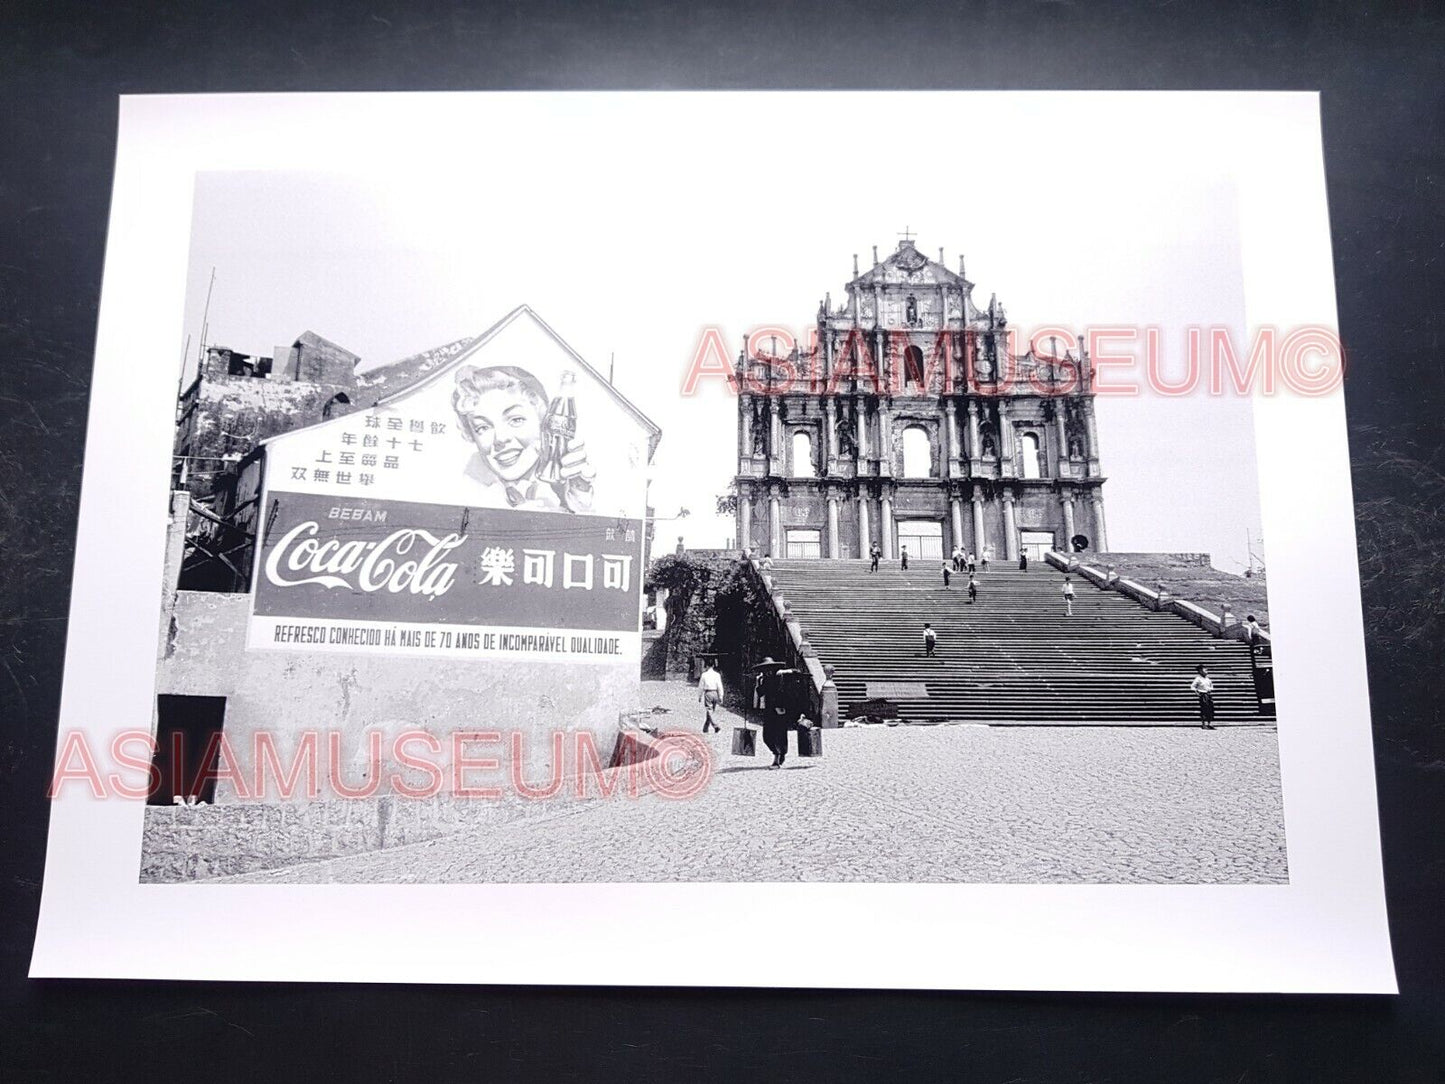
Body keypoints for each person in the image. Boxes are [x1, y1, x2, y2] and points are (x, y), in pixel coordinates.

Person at [452, 364, 594, 512]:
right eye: (482, 427)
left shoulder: (569, 489)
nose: (500, 438)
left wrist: (581, 497)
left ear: (544, 422)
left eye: (516, 420)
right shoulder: (468, 494)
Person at [760, 664, 798, 768]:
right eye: (765, 670)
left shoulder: (782, 677)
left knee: (780, 734)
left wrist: (786, 671)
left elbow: (797, 672)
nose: (767, 672)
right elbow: (760, 693)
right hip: (769, 711)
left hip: (781, 711)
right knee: (766, 736)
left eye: (769, 669)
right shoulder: (765, 680)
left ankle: (778, 757)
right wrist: (760, 681)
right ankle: (777, 753)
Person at [697, 661, 724, 734]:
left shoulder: (704, 675)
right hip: (715, 692)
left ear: (707, 666)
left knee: (709, 710)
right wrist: (721, 696)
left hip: (708, 693)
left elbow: (701, 686)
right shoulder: (717, 675)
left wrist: (700, 695)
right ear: (713, 666)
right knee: (712, 711)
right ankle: (705, 728)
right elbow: (720, 686)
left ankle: (716, 726)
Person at [1191, 664, 1216, 729]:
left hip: (1208, 694)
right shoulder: (1198, 678)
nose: (1206, 671)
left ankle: (1209, 723)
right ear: (1200, 671)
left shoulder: (1208, 678)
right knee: (1204, 709)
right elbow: (1193, 686)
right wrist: (1197, 692)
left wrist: (1210, 690)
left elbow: (1211, 686)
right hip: (1203, 695)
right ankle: (1204, 724)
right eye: (1204, 669)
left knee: (1210, 709)